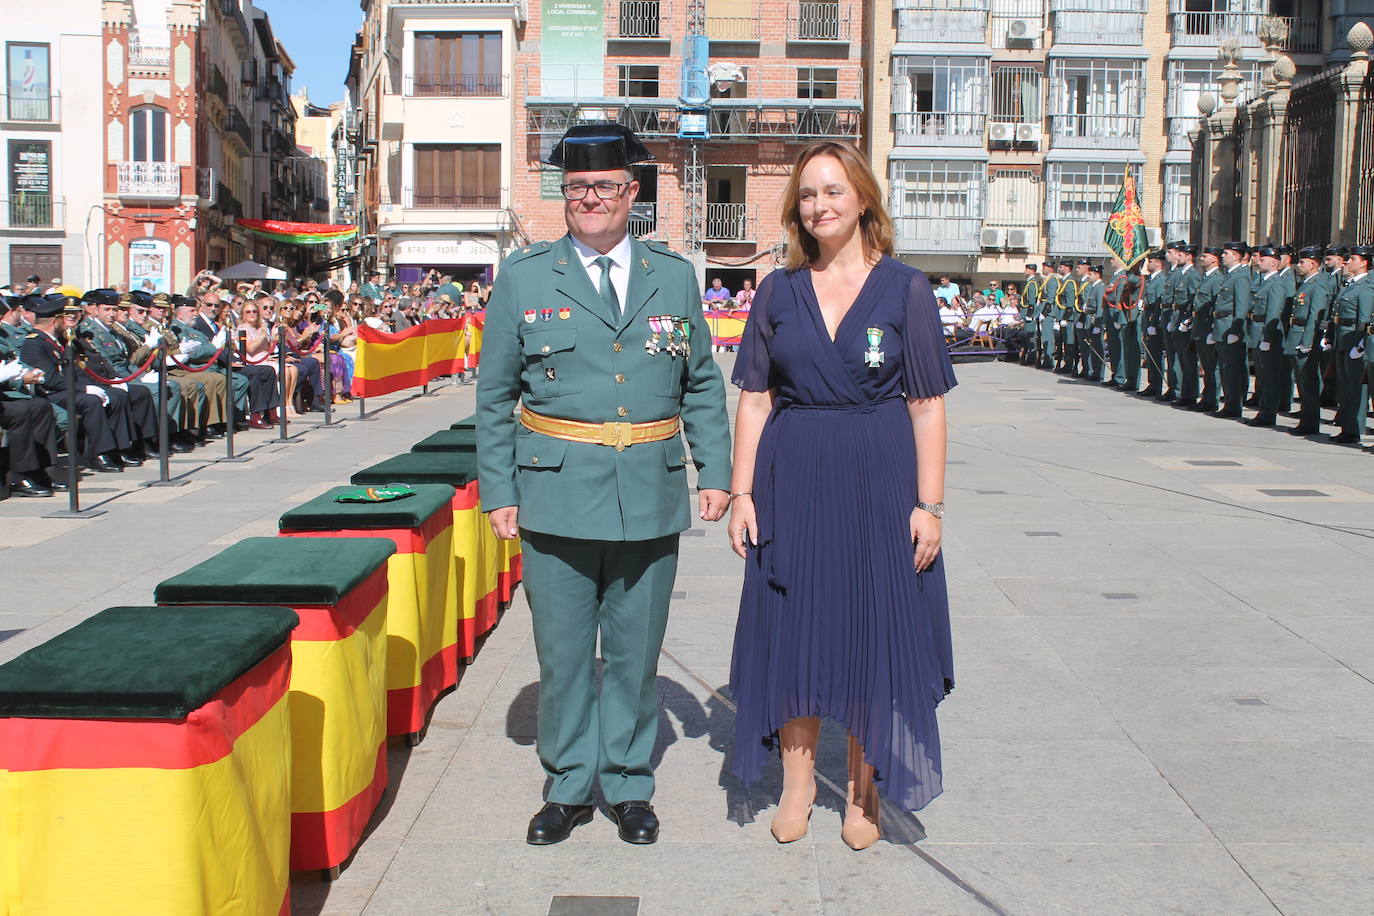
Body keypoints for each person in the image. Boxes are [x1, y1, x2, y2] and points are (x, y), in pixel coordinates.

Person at [476, 123, 731, 847]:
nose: (591, 199)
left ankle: (625, 784)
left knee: (634, 653)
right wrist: (499, 489)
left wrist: (714, 470)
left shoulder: (672, 275)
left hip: (649, 493)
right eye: (578, 187)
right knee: (561, 655)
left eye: (605, 186)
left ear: (632, 193)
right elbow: (494, 396)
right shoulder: (525, 277)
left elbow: (701, 382)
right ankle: (565, 787)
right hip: (553, 497)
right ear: (565, 196)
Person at [726, 140, 954, 851]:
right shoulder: (778, 291)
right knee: (795, 633)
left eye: (833, 191)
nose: (820, 205)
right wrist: (740, 491)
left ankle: (863, 794)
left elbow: (927, 406)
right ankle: (795, 787)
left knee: (869, 633)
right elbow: (756, 401)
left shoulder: (906, 290)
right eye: (807, 195)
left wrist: (930, 504)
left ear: (862, 199)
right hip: (792, 480)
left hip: (879, 483)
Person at [1286, 246, 1333, 436]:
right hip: (1296, 333)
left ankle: (1310, 423)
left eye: (1302, 262)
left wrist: (1307, 342)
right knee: (1302, 382)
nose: (1298, 265)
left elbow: (1315, 316)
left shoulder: (1318, 285)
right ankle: (1305, 420)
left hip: (1305, 337)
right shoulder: (1306, 283)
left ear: (1313, 264)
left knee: (1308, 382)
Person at [1329, 245, 1372, 444]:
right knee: (1344, 386)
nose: (1348, 263)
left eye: (1352, 259)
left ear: (1364, 263)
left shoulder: (1366, 286)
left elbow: (1363, 318)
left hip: (1354, 340)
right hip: (1342, 338)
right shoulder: (1350, 284)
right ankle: (1347, 425)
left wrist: (1360, 344)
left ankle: (1354, 428)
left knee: (1354, 387)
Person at [1212, 242, 1251, 418]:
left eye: (1226, 253)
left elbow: (1241, 307)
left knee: (1232, 369)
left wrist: (1236, 331)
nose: (1222, 256)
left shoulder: (1240, 277)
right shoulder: (1229, 276)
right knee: (1225, 368)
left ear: (1236, 256)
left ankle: (1234, 405)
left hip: (1230, 327)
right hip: (1222, 326)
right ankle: (1229, 402)